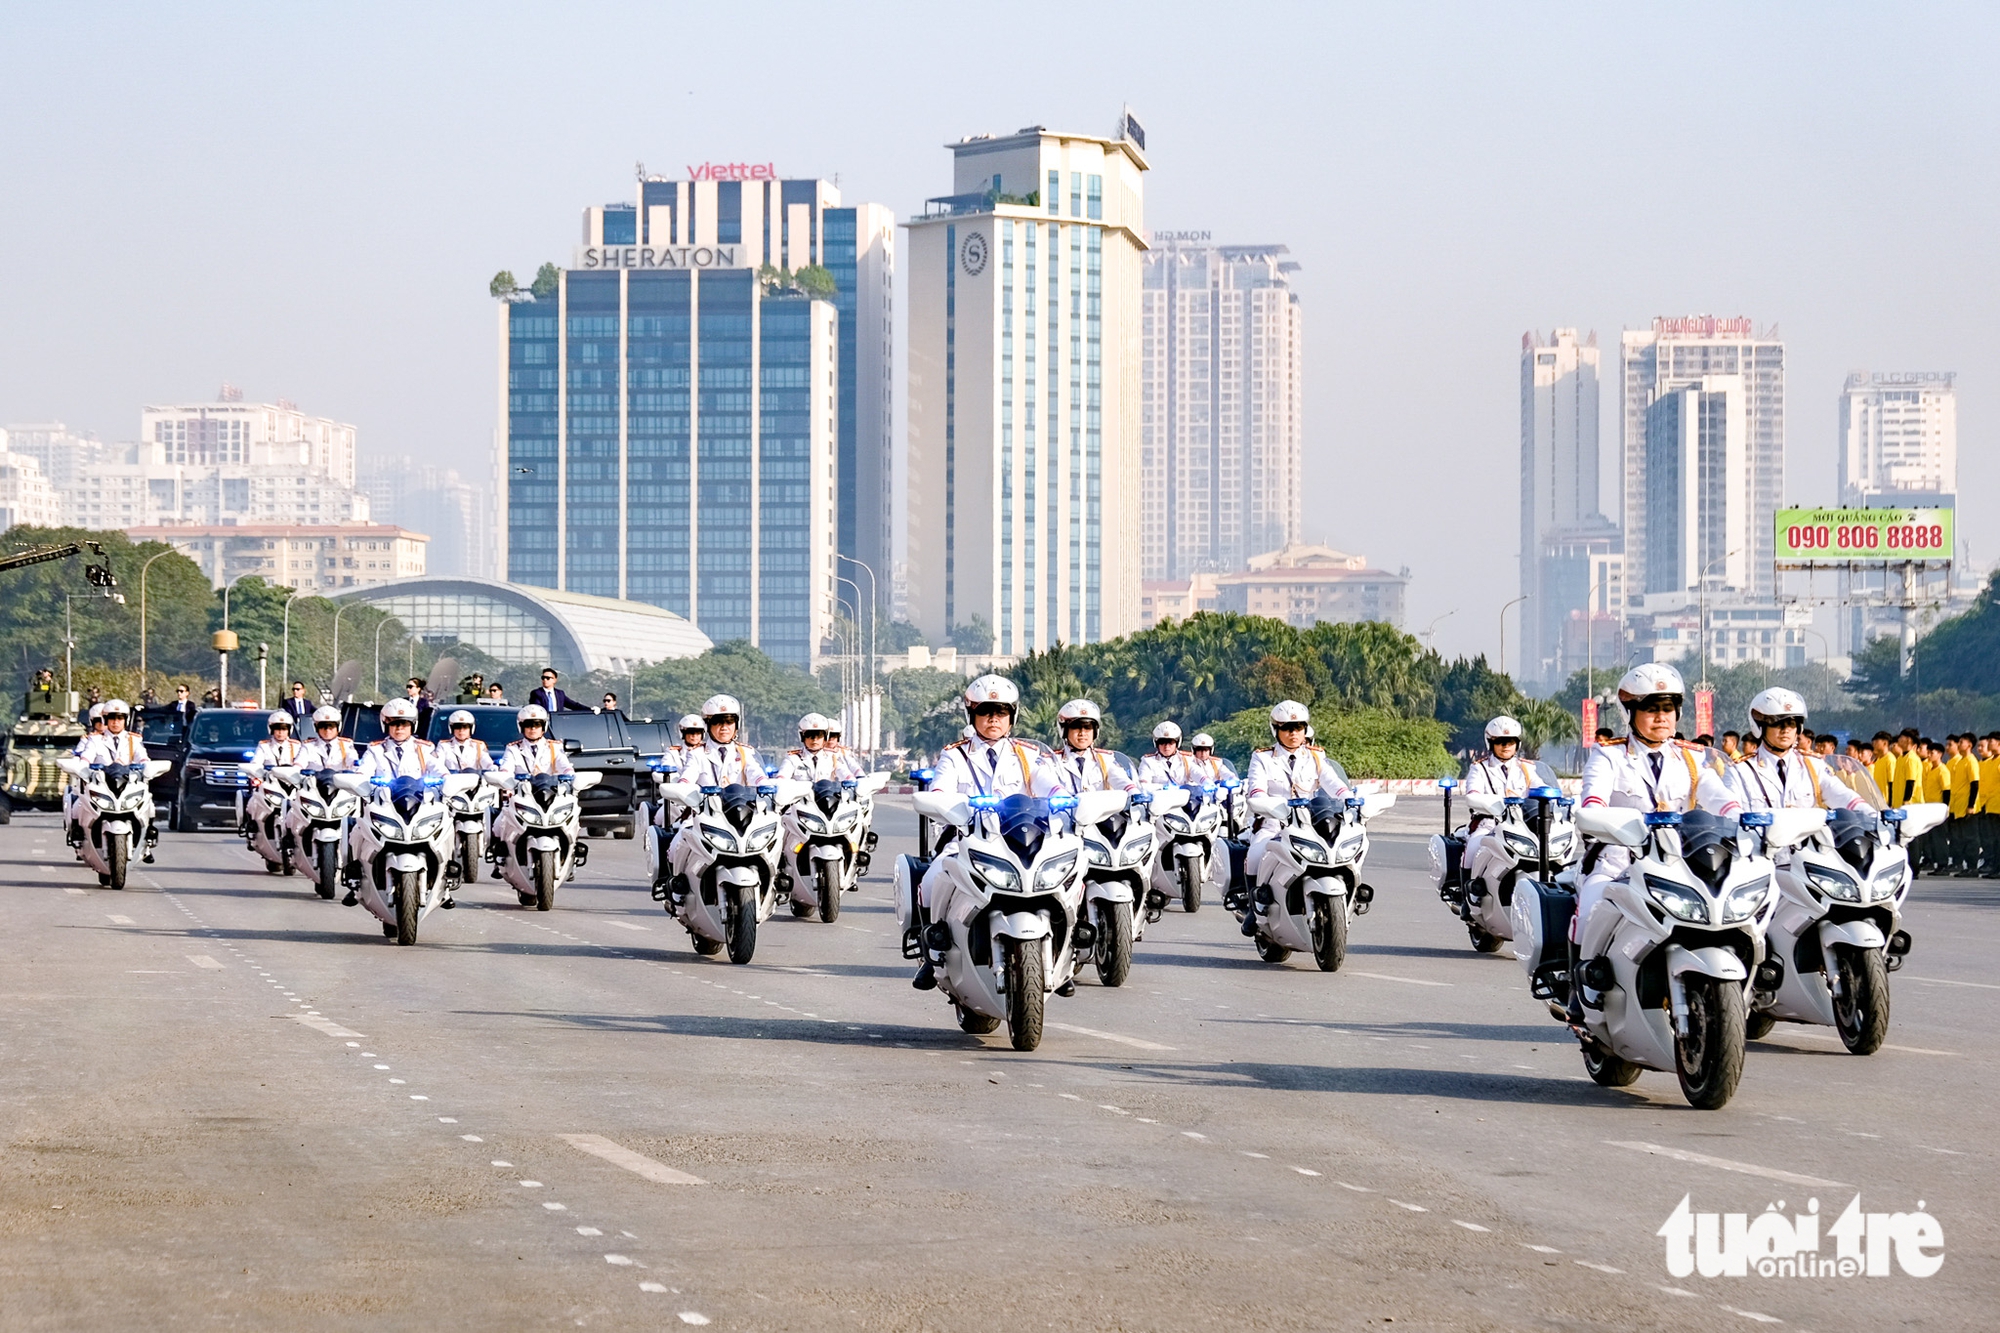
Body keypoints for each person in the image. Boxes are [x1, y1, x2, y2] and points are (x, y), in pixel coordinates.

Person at [1574, 664, 1741, 1015]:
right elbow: (1593, 803)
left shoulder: (1693, 758)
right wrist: (1598, 817)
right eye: (1651, 709)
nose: (1661, 717)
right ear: (1631, 713)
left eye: (1667, 709)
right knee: (1591, 909)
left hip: (1682, 866)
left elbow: (1719, 797)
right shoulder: (1609, 756)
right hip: (1619, 863)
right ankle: (1583, 994)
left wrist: (1742, 817)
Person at [908, 676, 1065, 991]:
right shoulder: (956, 755)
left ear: (1012, 716)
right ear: (972, 716)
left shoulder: (1028, 755)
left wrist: (1063, 798)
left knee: (1067, 877)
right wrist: (944, 801)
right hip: (966, 838)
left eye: (1001, 712)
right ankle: (933, 949)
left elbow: (1050, 784)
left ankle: (1064, 956)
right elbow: (940, 790)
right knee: (934, 877)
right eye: (985, 712)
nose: (993, 719)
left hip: (1022, 841)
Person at [1240, 701, 1355, 934]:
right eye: (1287, 728)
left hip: (1309, 823)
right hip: (1274, 822)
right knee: (1255, 855)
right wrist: (1266, 803)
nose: (1293, 733)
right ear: (1276, 730)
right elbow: (1256, 789)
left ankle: (1352, 896)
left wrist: (1349, 799)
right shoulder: (1262, 758)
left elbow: (1333, 782)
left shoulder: (1316, 756)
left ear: (1305, 729)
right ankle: (1255, 907)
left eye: (1299, 727)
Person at [345, 698, 448, 899]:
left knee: (446, 827)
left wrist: (446, 780)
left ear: (412, 725)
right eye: (394, 723)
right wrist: (359, 782)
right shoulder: (375, 749)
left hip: (419, 804)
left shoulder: (424, 748)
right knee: (357, 829)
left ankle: (445, 882)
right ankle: (355, 881)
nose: (399, 728)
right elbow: (363, 772)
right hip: (384, 805)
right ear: (386, 725)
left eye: (404, 724)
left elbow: (439, 769)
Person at [1731, 688, 1869, 817]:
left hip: (1807, 842)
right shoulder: (1739, 771)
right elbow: (1729, 812)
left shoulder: (1813, 766)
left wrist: (1872, 815)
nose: (1786, 730)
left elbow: (1843, 796)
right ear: (1760, 726)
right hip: (1760, 842)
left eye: (1791, 724)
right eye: (1777, 723)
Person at [67, 698, 156, 860]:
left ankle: (148, 841)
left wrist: (148, 767)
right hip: (101, 785)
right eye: (111, 718)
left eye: (120, 718)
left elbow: (142, 758)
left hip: (128, 784)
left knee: (149, 804)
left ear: (126, 720)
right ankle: (78, 838)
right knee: (78, 805)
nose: (115, 722)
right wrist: (81, 767)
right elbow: (86, 758)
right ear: (105, 720)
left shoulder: (134, 740)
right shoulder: (94, 740)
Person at [1457, 715, 1536, 881]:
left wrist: (1554, 798)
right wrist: (1482, 801)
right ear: (1491, 744)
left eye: (1510, 741)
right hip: (1490, 824)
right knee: (1473, 847)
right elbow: (1473, 793)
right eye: (1500, 742)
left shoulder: (1527, 768)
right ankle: (1469, 893)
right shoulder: (1480, 768)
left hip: (1523, 825)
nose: (1506, 746)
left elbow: (1542, 788)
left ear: (1517, 744)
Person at [243, 711, 307, 849]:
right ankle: (251, 828)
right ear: (271, 730)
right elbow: (256, 762)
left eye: (284, 729)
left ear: (289, 730)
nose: (280, 733)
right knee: (252, 800)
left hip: (290, 785)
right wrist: (256, 771)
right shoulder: (264, 746)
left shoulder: (297, 746)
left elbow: (303, 764)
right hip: (270, 783)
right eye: (277, 729)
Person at [1052, 699, 1139, 795]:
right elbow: (1045, 783)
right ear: (1064, 730)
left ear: (1095, 731)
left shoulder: (1105, 760)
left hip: (1101, 810)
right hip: (1066, 810)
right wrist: (1058, 793)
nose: (1082, 733)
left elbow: (1120, 779)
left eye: (1088, 727)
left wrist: (1133, 792)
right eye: (1076, 727)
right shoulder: (1052, 761)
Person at [777, 712, 863, 783]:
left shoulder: (832, 757)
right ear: (802, 737)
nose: (814, 739)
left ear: (825, 737)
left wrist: (854, 781)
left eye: (819, 735)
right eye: (810, 735)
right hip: (801, 802)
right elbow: (782, 778)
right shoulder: (793, 759)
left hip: (828, 800)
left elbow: (845, 774)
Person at [437, 710, 498, 774]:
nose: (461, 730)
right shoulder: (443, 745)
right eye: (457, 727)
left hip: (474, 781)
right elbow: (438, 764)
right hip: (452, 780)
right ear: (452, 729)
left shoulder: (478, 745)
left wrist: (492, 768)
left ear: (471, 729)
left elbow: (486, 762)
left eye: (465, 727)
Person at [1137, 721, 1193, 787]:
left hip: (1185, 796)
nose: (1166, 746)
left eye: (1170, 742)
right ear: (1157, 744)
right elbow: (1143, 784)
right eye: (1162, 742)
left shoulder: (1188, 760)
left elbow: (1198, 775)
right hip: (1158, 796)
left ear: (1177, 743)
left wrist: (1205, 781)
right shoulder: (1148, 761)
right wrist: (1163, 787)